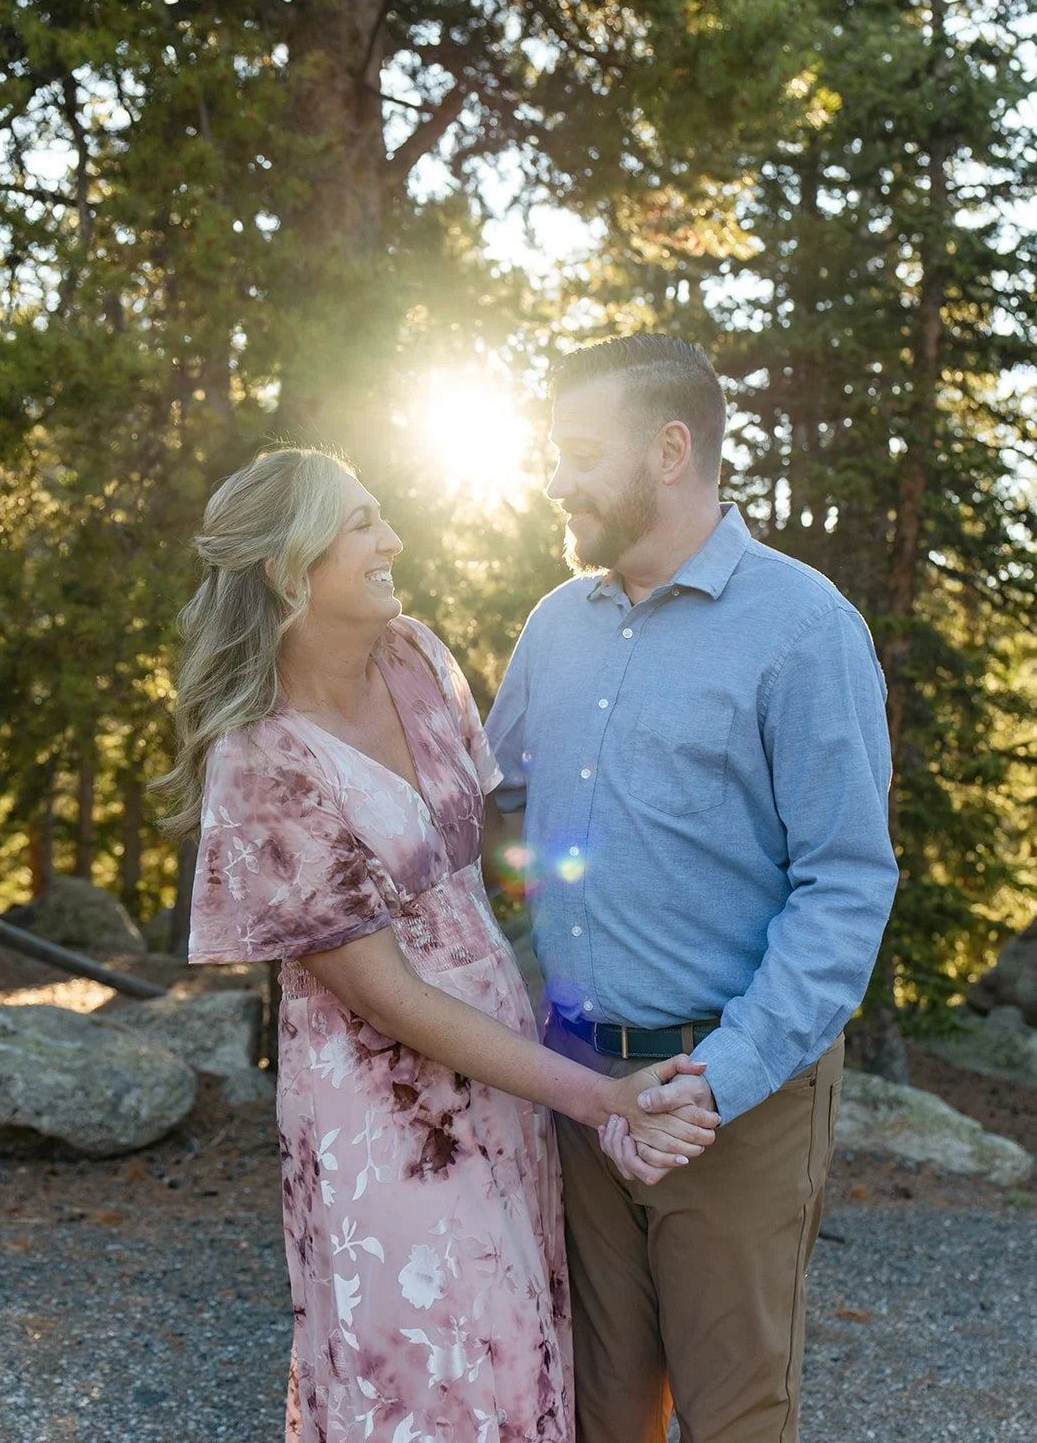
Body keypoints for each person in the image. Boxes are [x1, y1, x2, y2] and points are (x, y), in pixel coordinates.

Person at [154, 445, 718, 1443]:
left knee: (514, 1343)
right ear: (292, 566)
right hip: (381, 1104)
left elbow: (500, 834)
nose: (392, 540)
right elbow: (389, 997)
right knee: (427, 1367)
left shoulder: (415, 656)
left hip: (500, 1059)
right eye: (362, 523)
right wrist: (596, 1094)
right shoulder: (259, 761)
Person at [484, 335, 900, 1443]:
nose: (556, 479)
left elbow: (845, 884)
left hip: (731, 1100)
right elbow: (488, 813)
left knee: (732, 1420)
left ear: (670, 450)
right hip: (575, 1089)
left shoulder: (804, 629)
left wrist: (715, 1080)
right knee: (596, 1414)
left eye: (578, 451)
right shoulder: (551, 626)